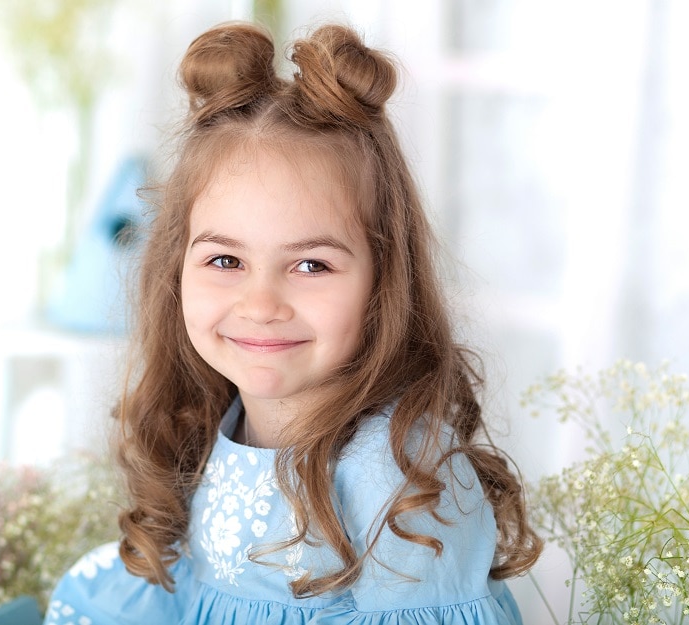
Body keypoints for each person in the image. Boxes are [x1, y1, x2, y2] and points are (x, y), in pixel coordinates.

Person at [43, 21, 542, 625]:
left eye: (311, 264)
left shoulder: (399, 473)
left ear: (383, 279)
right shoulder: (210, 421)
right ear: (176, 269)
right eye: (225, 260)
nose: (261, 303)